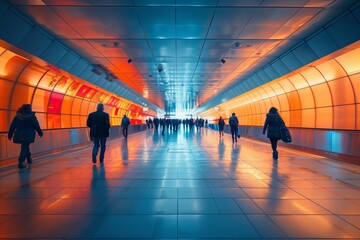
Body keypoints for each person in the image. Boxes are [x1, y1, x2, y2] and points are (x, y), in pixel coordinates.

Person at [8, 104, 43, 169]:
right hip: (29, 134)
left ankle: (29, 159)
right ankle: (20, 162)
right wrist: (40, 133)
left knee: (25, 145)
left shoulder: (17, 116)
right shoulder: (32, 117)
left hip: (19, 134)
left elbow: (12, 126)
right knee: (25, 146)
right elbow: (36, 126)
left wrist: (10, 135)